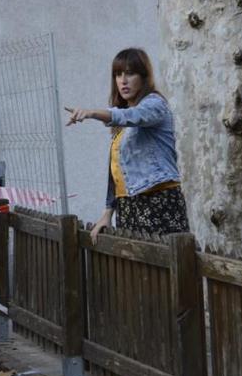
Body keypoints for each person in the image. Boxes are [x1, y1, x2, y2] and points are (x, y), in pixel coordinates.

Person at [65, 47, 189, 244]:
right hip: (129, 206)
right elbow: (116, 172)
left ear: (144, 77)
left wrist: (92, 113)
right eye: (118, 74)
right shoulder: (122, 124)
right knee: (136, 271)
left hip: (158, 201)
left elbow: (133, 116)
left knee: (162, 269)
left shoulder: (155, 105)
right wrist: (108, 212)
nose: (123, 80)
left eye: (130, 73)